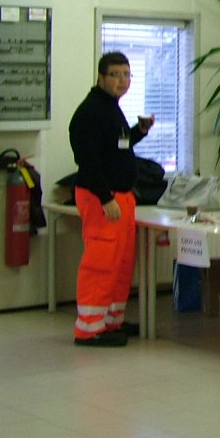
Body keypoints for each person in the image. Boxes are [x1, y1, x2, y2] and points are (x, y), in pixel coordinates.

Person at [68, 51, 154, 347]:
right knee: (101, 262)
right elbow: (88, 160)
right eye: (116, 74)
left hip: (121, 196)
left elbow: (118, 146)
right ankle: (89, 328)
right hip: (101, 198)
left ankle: (110, 320)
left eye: (127, 74)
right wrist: (105, 198)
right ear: (101, 77)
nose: (122, 80)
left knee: (120, 263)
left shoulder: (111, 109)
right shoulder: (90, 112)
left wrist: (139, 132)